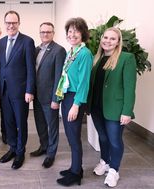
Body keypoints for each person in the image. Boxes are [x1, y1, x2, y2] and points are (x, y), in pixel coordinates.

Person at [88, 27, 137, 187]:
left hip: (115, 108)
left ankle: (114, 171)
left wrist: (127, 111)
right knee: (102, 137)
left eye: (112, 39)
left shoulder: (126, 58)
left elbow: (130, 87)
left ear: (118, 42)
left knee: (114, 141)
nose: (107, 41)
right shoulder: (97, 58)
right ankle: (105, 162)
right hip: (97, 107)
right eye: (106, 37)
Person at [55, 17, 93, 186]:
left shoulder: (85, 53)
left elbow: (84, 82)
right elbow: (65, 77)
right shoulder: (72, 51)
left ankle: (76, 173)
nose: (72, 34)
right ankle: (75, 168)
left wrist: (76, 105)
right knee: (70, 137)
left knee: (74, 137)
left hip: (76, 98)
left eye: (76, 31)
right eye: (69, 31)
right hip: (67, 96)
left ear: (83, 33)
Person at [0, 10, 36, 170]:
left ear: (19, 23)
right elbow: (1, 66)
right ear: (4, 24)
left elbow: (30, 68)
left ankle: (20, 151)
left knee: (21, 122)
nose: (11, 25)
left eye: (14, 22)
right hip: (5, 91)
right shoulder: (1, 42)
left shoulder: (27, 41)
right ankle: (13, 148)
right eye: (8, 22)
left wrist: (29, 90)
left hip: (21, 92)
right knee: (8, 122)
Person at [30, 22, 66, 168]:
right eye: (42, 32)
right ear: (39, 33)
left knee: (52, 126)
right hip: (37, 96)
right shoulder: (36, 49)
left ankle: (51, 154)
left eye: (48, 32)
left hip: (50, 97)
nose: (45, 34)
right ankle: (43, 147)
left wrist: (56, 99)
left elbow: (59, 77)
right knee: (40, 124)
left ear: (53, 33)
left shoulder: (59, 50)